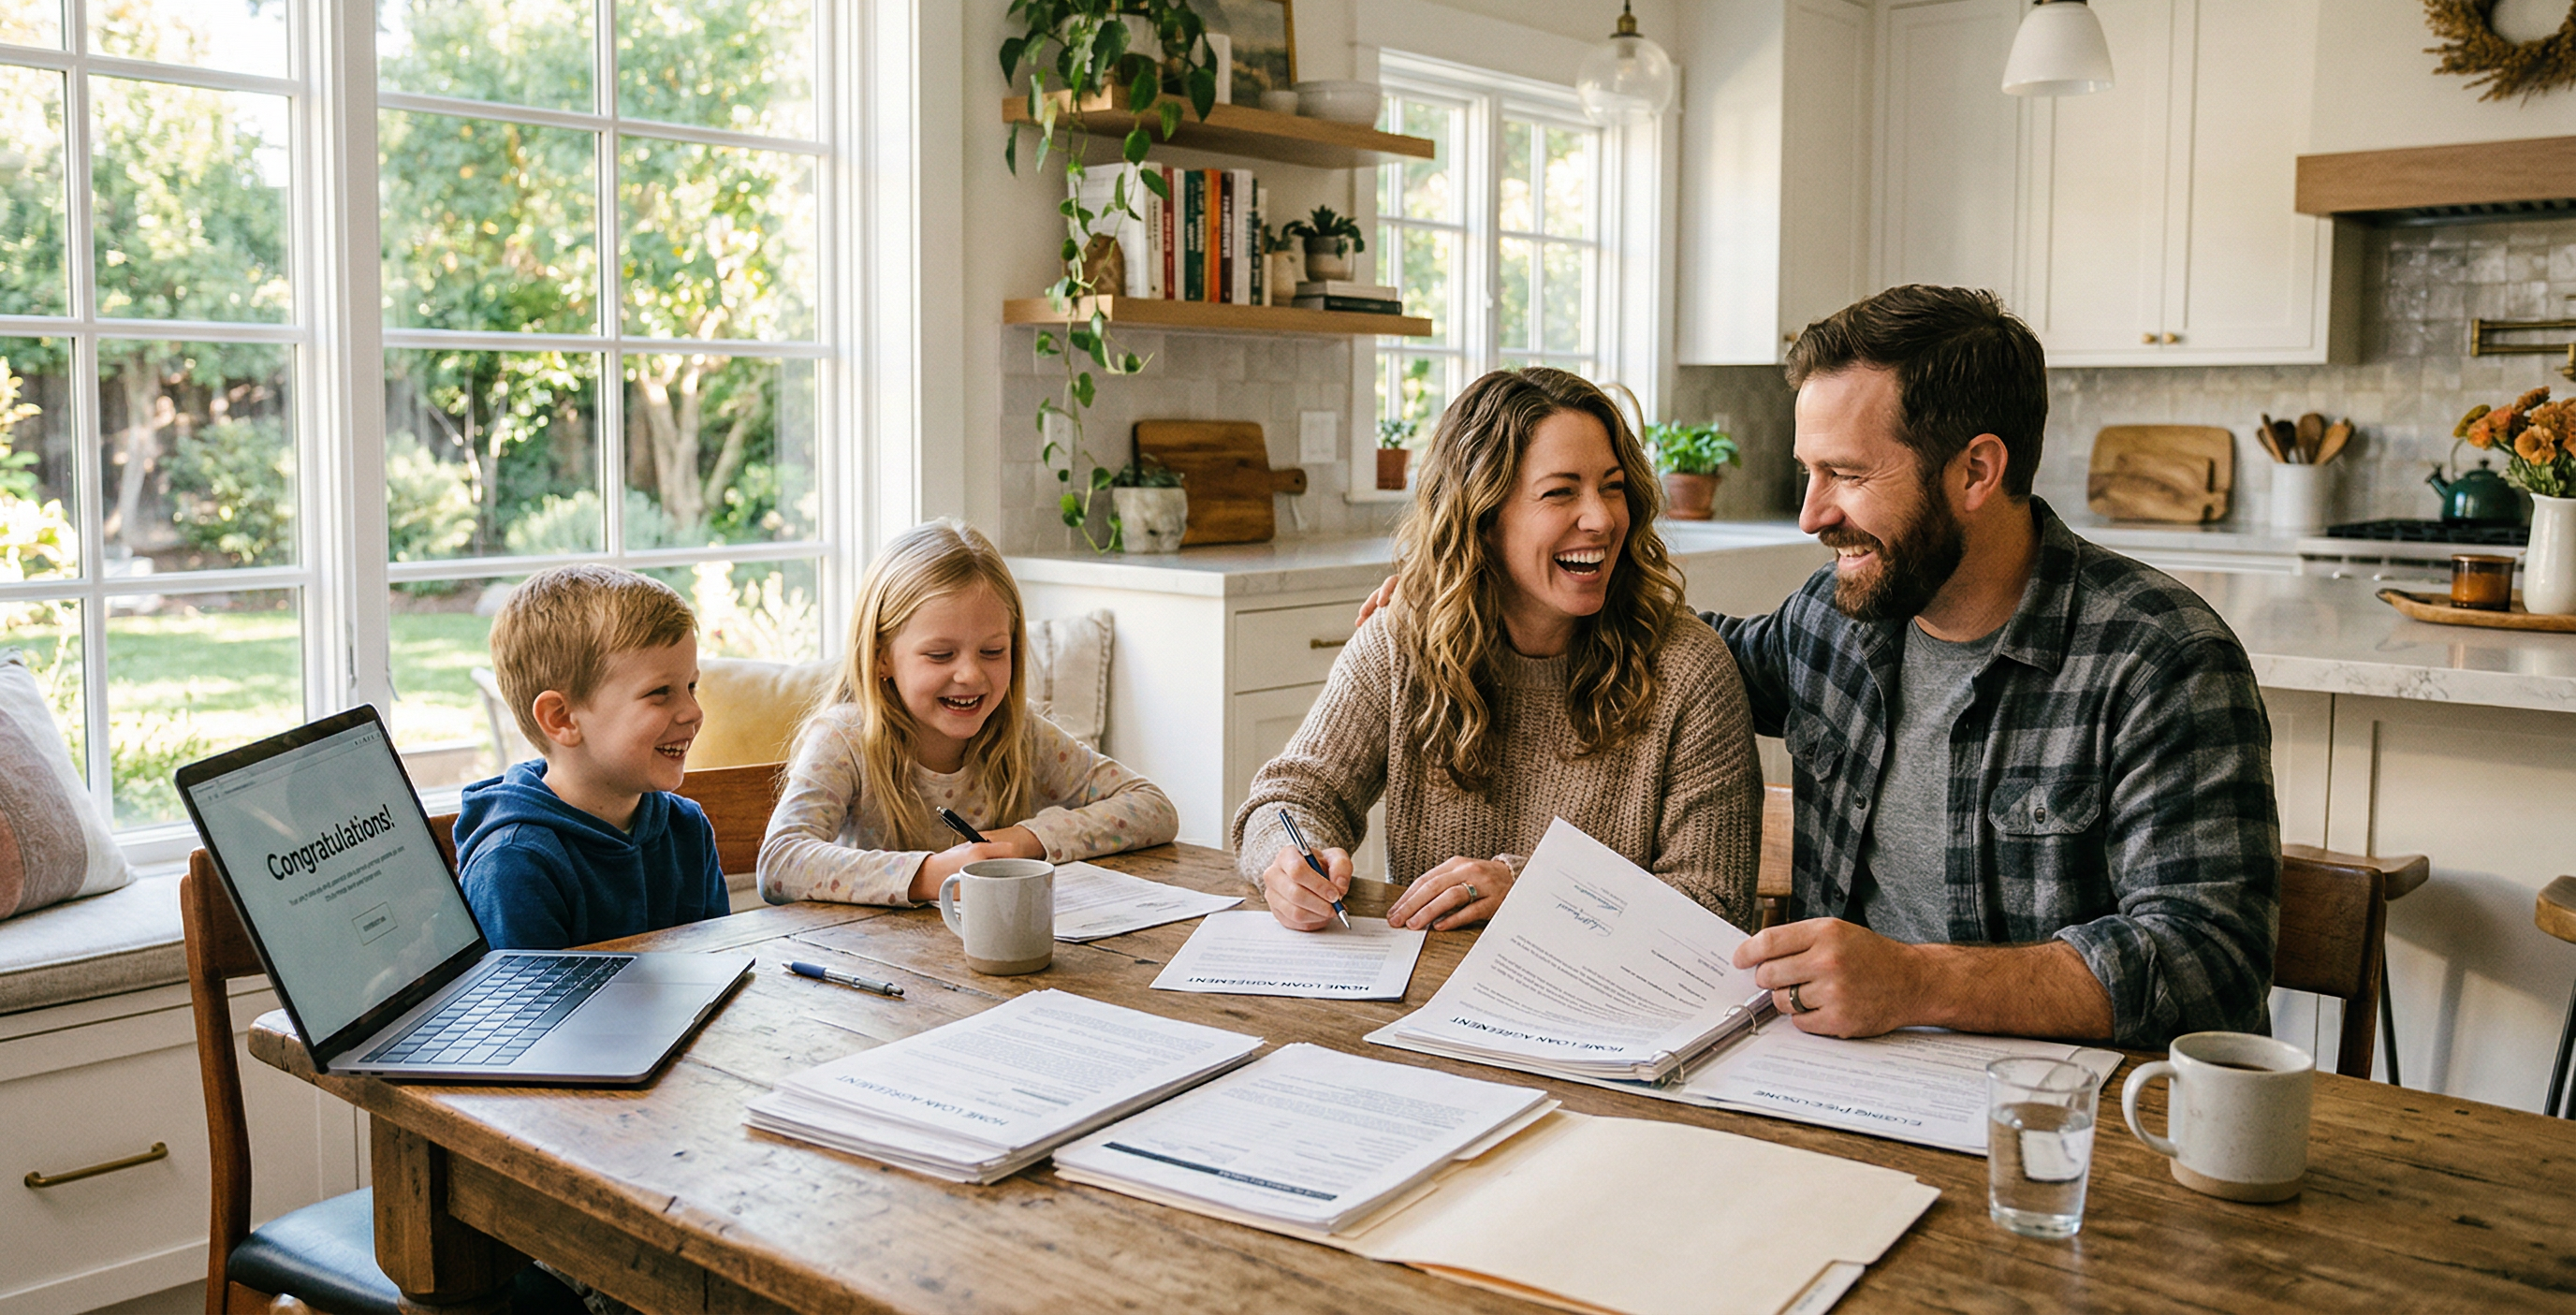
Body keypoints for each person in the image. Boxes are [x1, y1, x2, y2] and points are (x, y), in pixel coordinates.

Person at [1364, 287, 2279, 1046]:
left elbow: (2210, 961)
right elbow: (1666, 643)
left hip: (2066, 1129)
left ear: (1975, 472)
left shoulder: (2159, 661)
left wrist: (1916, 981)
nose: (1809, 515)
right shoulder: (1831, 625)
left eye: (1843, 473)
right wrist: (1482, 576)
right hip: (1826, 1076)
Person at [1240, 366, 1762, 934]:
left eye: (1612, 487)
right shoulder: (1405, 641)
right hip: (1424, 997)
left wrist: (1535, 891)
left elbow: (1713, 907)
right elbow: (1291, 796)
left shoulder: (1690, 671)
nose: (1602, 518)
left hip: (1603, 1011)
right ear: (1484, 519)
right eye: (1561, 492)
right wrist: (1291, 863)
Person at [759, 519, 1177, 905]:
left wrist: (1025, 840)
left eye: (993, 651)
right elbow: (780, 863)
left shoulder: (1020, 732)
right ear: (881, 657)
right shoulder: (845, 740)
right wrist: (931, 874)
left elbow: (1153, 807)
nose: (971, 674)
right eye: (941, 655)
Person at [455, 564, 729, 951]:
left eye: (691, 686)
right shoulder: (515, 865)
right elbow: (534, 1010)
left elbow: (721, 964)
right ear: (562, 718)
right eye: (660, 692)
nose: (693, 712)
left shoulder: (686, 828)